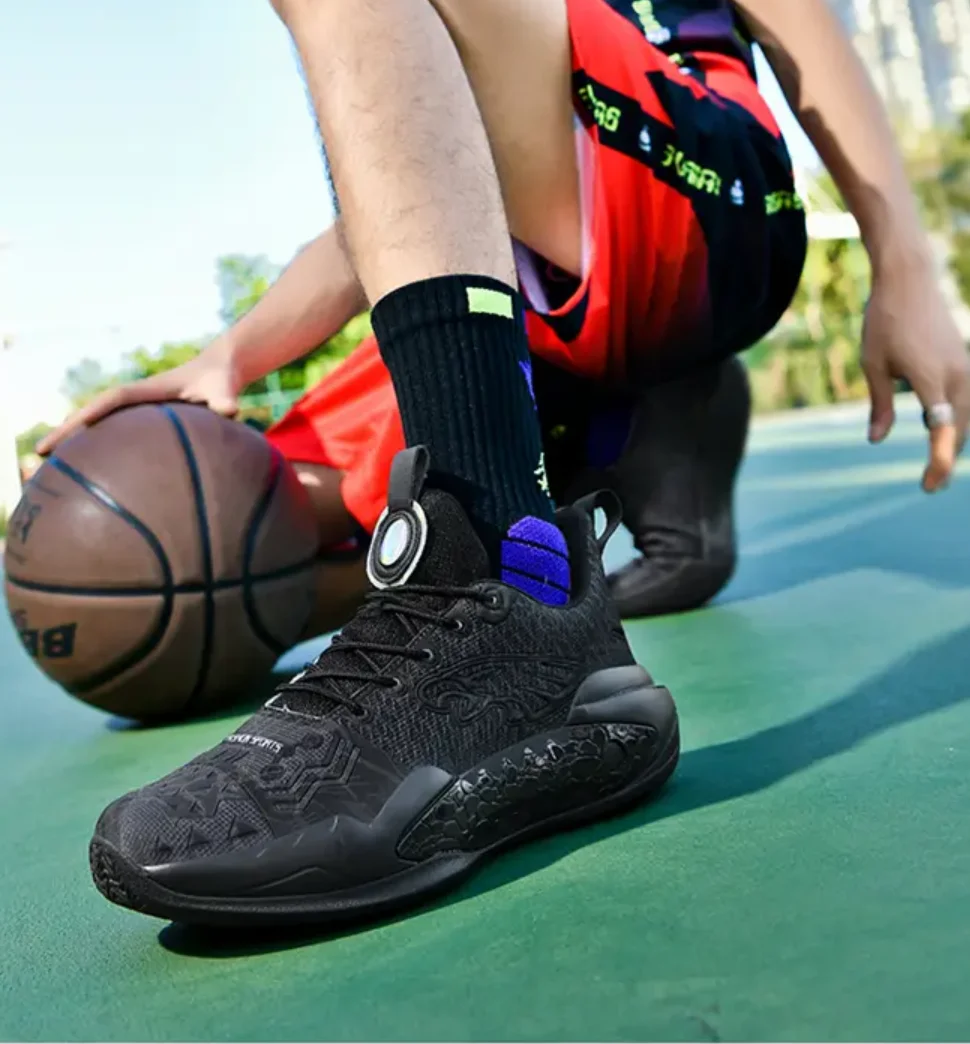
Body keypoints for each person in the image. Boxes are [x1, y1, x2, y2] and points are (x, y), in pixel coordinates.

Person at [48, 0, 969, 927]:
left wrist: (905, 264)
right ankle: (617, 480)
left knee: (450, 510)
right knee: (243, 526)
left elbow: (797, 21)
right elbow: (410, 177)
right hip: (534, 280)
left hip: (707, 202)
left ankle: (496, 569)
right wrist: (234, 358)